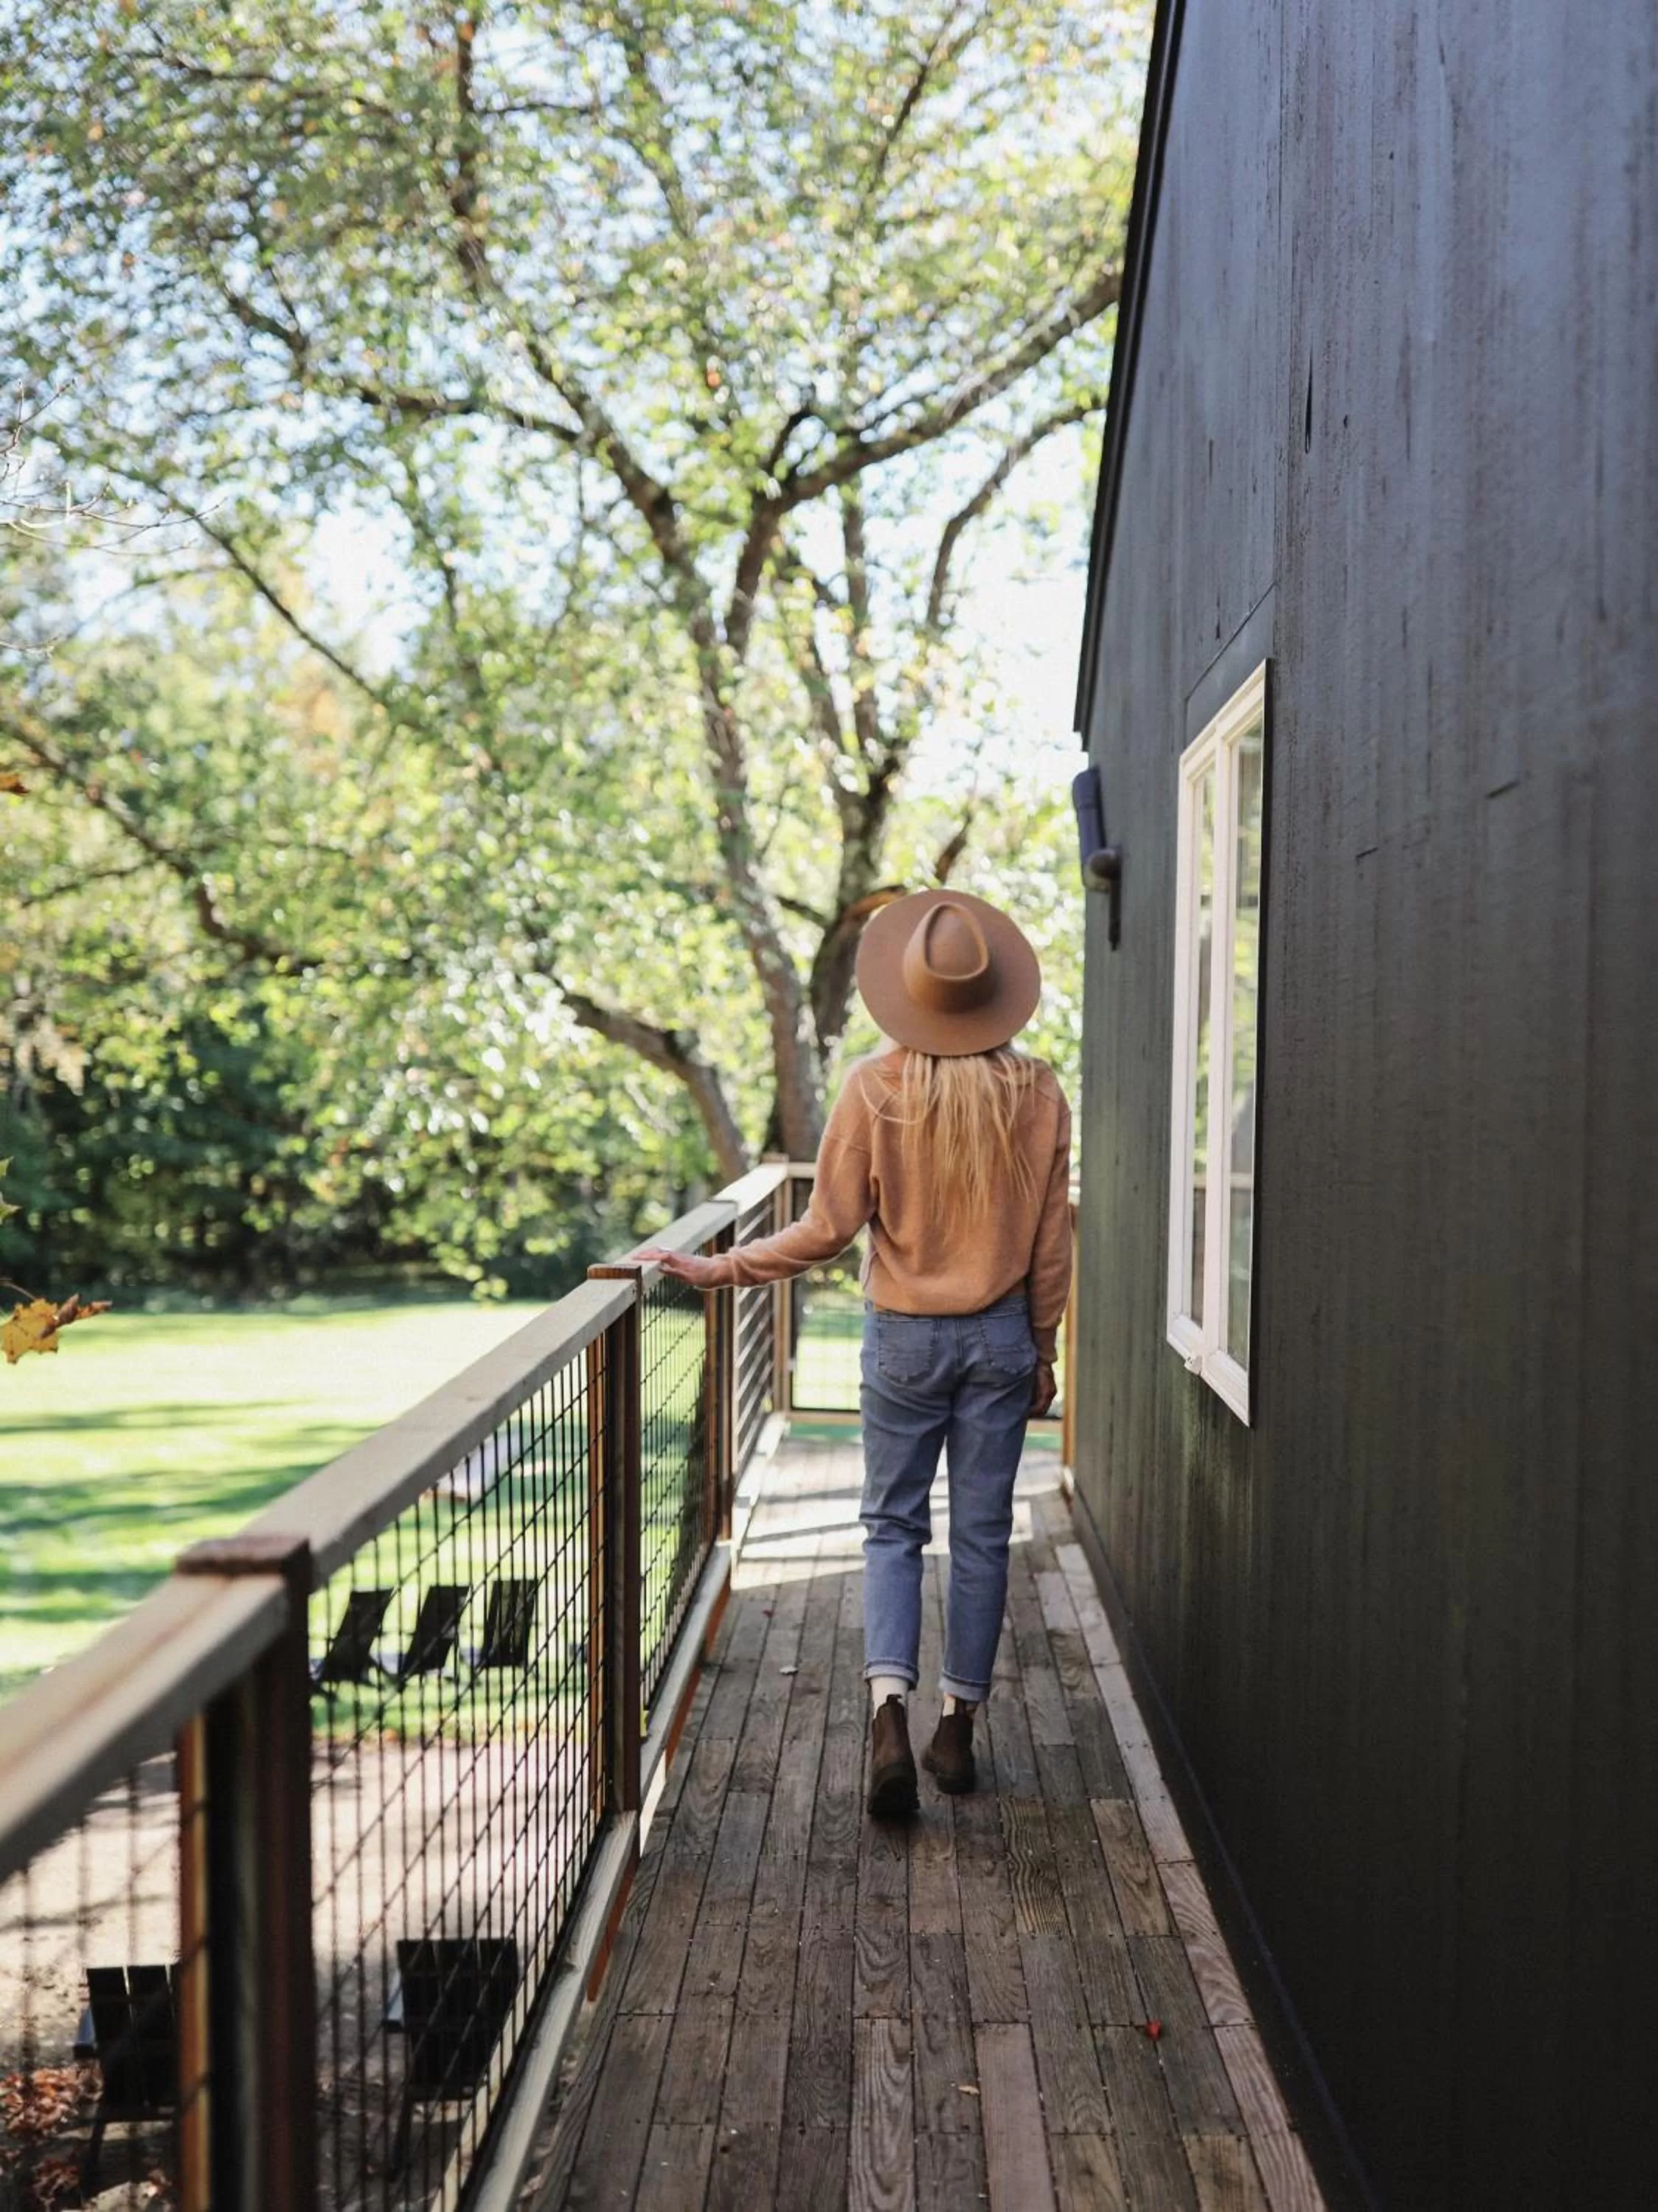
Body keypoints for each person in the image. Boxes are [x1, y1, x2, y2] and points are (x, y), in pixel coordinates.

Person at [639, 888, 1072, 1820]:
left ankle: (887, 1710)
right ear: (993, 992)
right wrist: (1041, 1347)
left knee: (892, 1528)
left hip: (904, 1344)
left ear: (907, 994)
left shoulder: (875, 1089)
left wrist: (717, 1269)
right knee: (984, 1534)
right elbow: (1050, 1245)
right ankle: (957, 1725)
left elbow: (824, 1232)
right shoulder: (1037, 1092)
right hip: (999, 1339)